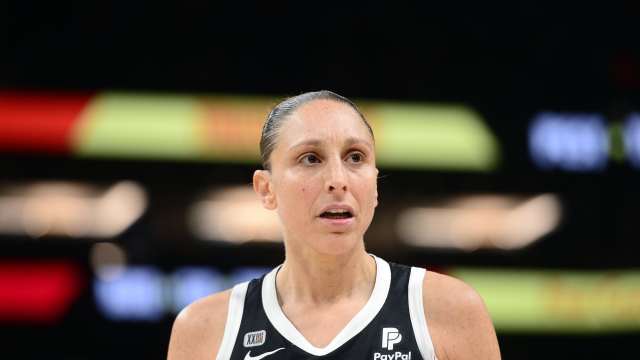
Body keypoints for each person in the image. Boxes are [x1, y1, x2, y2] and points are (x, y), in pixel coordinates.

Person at [167, 91, 501, 360]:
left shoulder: (450, 310)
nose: (337, 180)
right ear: (266, 189)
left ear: (374, 186)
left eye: (355, 157)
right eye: (310, 158)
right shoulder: (205, 330)